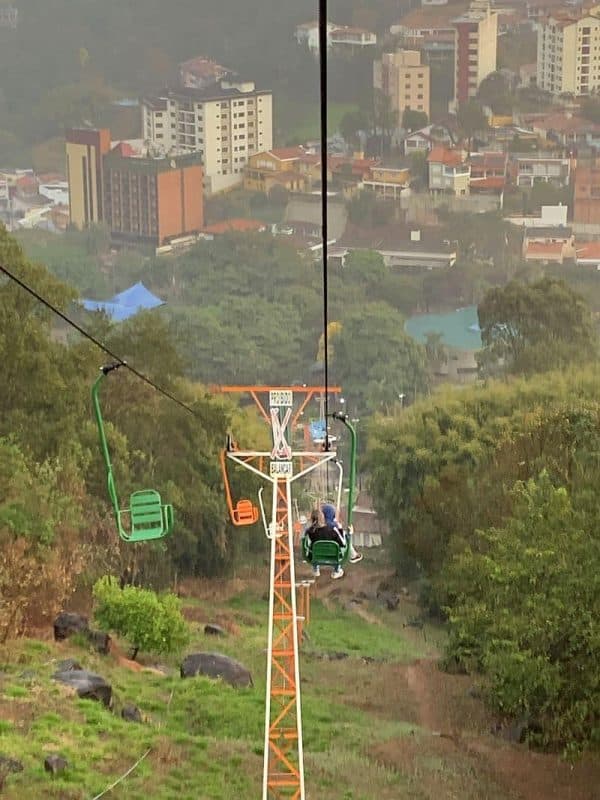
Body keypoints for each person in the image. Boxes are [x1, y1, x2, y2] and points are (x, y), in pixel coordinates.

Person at [302, 508, 345, 580]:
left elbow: (306, 542)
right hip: (333, 556)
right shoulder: (332, 529)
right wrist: (340, 530)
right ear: (323, 518)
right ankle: (337, 570)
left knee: (312, 547)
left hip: (315, 556)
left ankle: (315, 568)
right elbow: (343, 543)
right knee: (339, 551)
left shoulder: (310, 531)